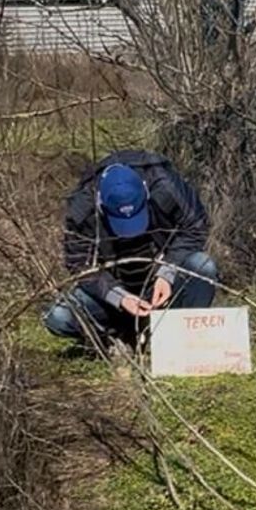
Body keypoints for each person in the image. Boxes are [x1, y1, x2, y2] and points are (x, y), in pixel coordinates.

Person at [44, 148, 218, 355]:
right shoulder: (82, 209)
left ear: (145, 193)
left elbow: (195, 226)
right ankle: (116, 339)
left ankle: (175, 338)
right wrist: (118, 297)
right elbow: (79, 264)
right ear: (101, 205)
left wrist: (167, 273)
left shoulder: (165, 185)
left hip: (161, 280)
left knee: (203, 266)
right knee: (58, 317)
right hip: (113, 293)